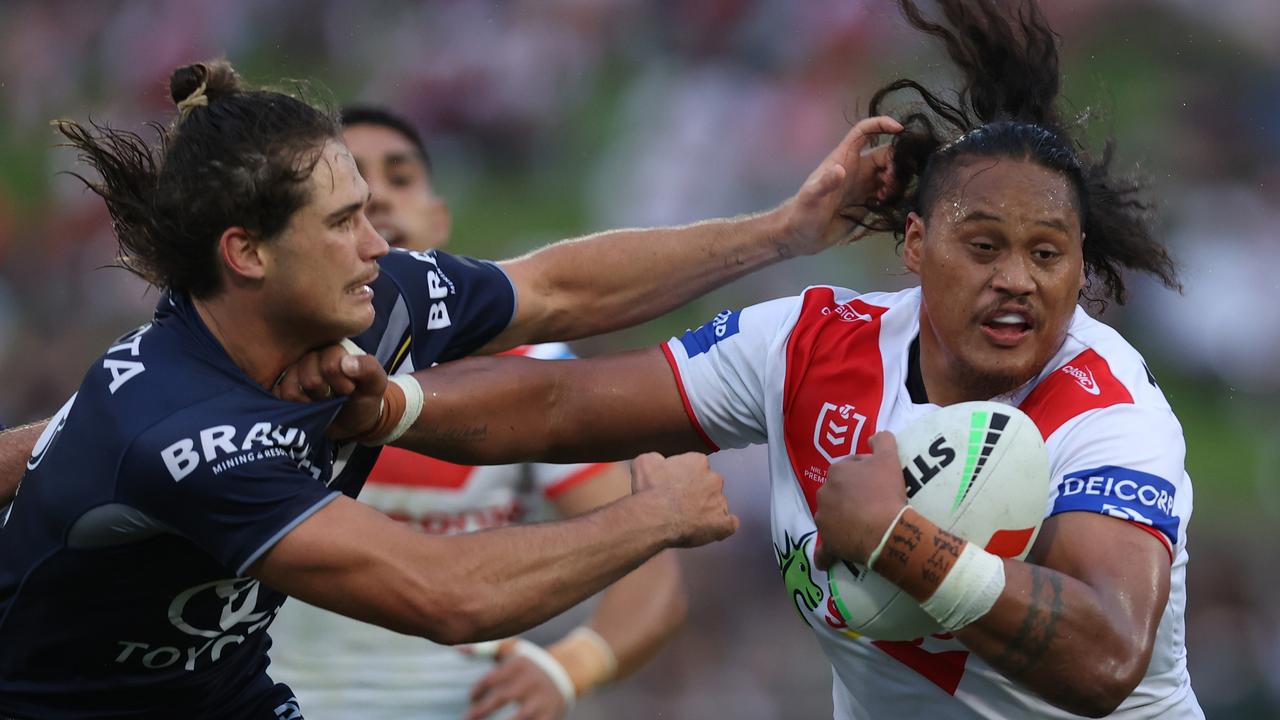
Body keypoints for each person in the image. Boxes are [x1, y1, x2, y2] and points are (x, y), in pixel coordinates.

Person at [285, 1, 1202, 717]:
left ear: (1081, 270)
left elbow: (1108, 659)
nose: (1017, 281)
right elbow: (566, 401)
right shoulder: (809, 344)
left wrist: (899, 542)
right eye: (984, 246)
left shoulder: (1108, 411)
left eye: (1048, 256)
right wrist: (390, 406)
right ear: (915, 246)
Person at [0, 58, 901, 718]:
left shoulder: (365, 314)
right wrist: (653, 515)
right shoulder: (178, 429)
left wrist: (785, 230)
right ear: (248, 253)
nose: (379, 246)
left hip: (224, 700)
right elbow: (446, 596)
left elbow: (555, 288)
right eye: (345, 221)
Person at [266, 105, 686, 720]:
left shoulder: (532, 365)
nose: (377, 196)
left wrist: (569, 668)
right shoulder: (251, 367)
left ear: (438, 219)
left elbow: (652, 576)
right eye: (348, 182)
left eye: (400, 178)